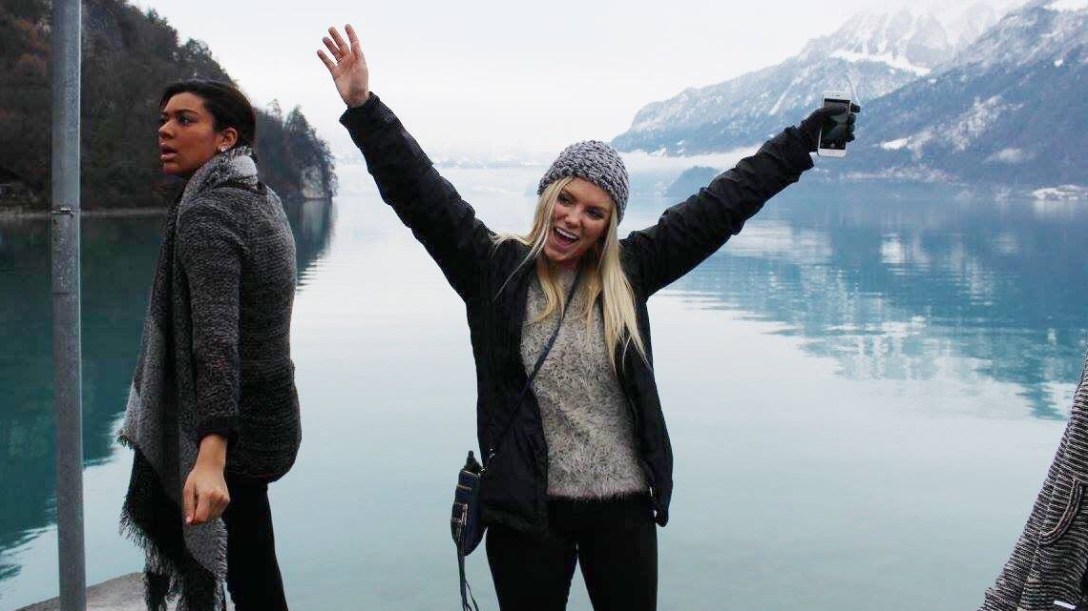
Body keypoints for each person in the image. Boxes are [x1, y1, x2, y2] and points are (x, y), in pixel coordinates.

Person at [318, 24, 856, 611]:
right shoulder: (493, 270)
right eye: (566, 200)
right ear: (547, 197)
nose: (574, 218)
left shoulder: (632, 273)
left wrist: (804, 143)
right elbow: (420, 193)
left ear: (609, 225)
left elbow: (723, 203)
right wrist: (364, 109)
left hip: (622, 510)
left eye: (594, 212)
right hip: (527, 512)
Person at [119, 80, 301, 611]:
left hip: (231, 433)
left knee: (248, 575)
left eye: (184, 120)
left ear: (226, 137)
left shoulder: (208, 214)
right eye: (163, 119)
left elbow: (217, 342)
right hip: (270, 414)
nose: (165, 131)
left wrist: (211, 453)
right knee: (254, 562)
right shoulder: (260, 197)